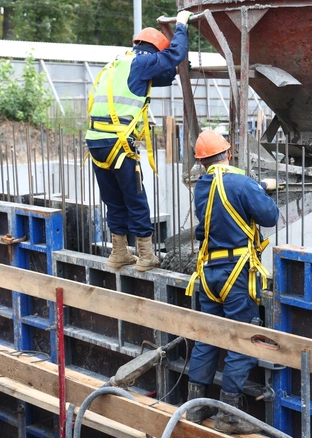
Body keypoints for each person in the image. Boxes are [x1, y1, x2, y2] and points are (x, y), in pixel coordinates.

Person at [185, 130, 279, 434]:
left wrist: (254, 188)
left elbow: (219, 209)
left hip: (209, 273)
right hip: (236, 274)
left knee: (208, 336)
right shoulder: (241, 182)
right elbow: (269, 216)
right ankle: (228, 415)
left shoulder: (201, 186)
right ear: (228, 154)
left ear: (202, 163)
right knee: (240, 338)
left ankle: (195, 408)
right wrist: (261, 190)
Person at [85, 11, 192, 271]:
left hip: (96, 142)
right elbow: (174, 56)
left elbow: (162, 76)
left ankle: (119, 253)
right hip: (119, 144)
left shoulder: (117, 64)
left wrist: (176, 72)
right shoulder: (143, 63)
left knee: (113, 200)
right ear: (154, 50)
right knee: (135, 199)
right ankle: (146, 256)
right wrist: (181, 26)